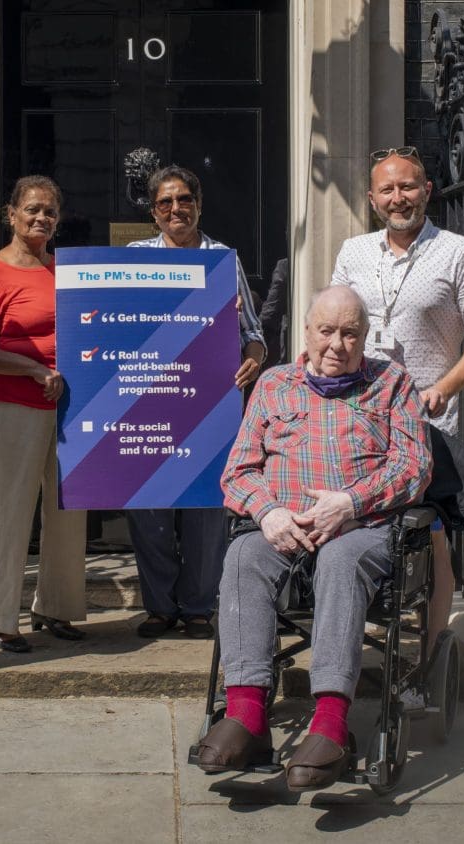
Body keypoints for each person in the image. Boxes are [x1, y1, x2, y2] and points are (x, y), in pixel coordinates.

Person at [194, 286, 433, 791]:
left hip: (359, 527)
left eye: (350, 333)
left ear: (366, 337)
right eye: (327, 331)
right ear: (306, 332)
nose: (337, 344)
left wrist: (350, 502)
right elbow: (237, 472)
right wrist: (269, 512)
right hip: (284, 526)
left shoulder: (392, 383)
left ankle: (330, 723)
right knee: (243, 556)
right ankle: (246, 716)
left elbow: (415, 465)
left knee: (341, 561)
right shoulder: (274, 384)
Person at [330, 147, 464, 656]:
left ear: (427, 190)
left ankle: (426, 654)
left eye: (407, 186)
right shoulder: (353, 252)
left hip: (424, 422)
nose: (398, 197)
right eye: (387, 189)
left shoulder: (460, 252)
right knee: (351, 523)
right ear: (372, 199)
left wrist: (443, 387)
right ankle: (352, 638)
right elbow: (338, 320)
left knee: (429, 537)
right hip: (357, 418)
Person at [124, 165, 267, 640]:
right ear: (153, 213)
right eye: (165, 203)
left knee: (207, 506)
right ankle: (160, 607)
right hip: (146, 400)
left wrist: (252, 361)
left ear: (199, 205)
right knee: (148, 506)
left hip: (209, 403)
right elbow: (116, 325)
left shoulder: (223, 259)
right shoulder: (134, 258)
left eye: (184, 200)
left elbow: (254, 335)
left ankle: (199, 608)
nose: (175, 209)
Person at [0, 175, 87, 654]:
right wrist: (34, 369)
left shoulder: (64, 269)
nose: (42, 218)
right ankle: (2, 620)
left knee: (68, 509)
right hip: (12, 405)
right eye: (33, 209)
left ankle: (54, 607)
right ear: (11, 214)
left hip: (68, 406)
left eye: (50, 212)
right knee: (12, 510)